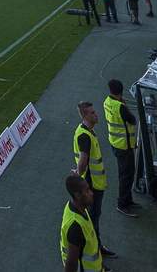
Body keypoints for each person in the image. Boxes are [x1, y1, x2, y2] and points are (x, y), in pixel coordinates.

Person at [71, 102, 115, 260]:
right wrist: (78, 173)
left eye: (94, 112)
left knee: (94, 218)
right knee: (92, 220)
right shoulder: (85, 135)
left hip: (95, 183)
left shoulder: (87, 132)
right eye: (91, 113)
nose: (96, 115)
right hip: (92, 186)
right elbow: (83, 160)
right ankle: (95, 251)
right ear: (84, 116)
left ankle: (97, 247)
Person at [102, 80, 140, 217]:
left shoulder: (107, 101)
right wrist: (124, 105)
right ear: (121, 90)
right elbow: (132, 120)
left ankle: (127, 200)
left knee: (126, 174)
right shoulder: (120, 106)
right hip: (124, 145)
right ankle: (122, 204)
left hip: (116, 143)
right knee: (126, 175)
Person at [60, 173, 105, 272]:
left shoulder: (79, 208)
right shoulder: (75, 227)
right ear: (78, 195)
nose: (91, 193)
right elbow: (71, 264)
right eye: (87, 191)